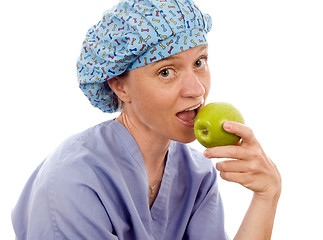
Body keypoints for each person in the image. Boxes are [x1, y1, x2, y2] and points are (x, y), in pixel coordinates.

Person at [12, 0, 281, 239]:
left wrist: (267, 195)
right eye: (166, 71)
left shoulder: (197, 174)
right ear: (120, 87)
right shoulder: (74, 182)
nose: (197, 90)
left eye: (199, 62)